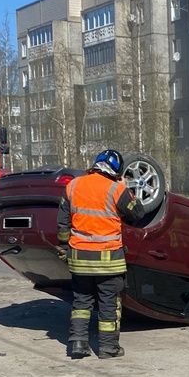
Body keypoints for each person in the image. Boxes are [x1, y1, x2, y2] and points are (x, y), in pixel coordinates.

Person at [56, 149, 144, 360]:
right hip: (108, 261)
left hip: (79, 258)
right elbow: (137, 214)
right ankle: (108, 348)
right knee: (108, 305)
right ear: (116, 170)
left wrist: (63, 246)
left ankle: (77, 343)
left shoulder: (73, 185)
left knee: (81, 302)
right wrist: (126, 188)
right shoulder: (116, 189)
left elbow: (62, 225)